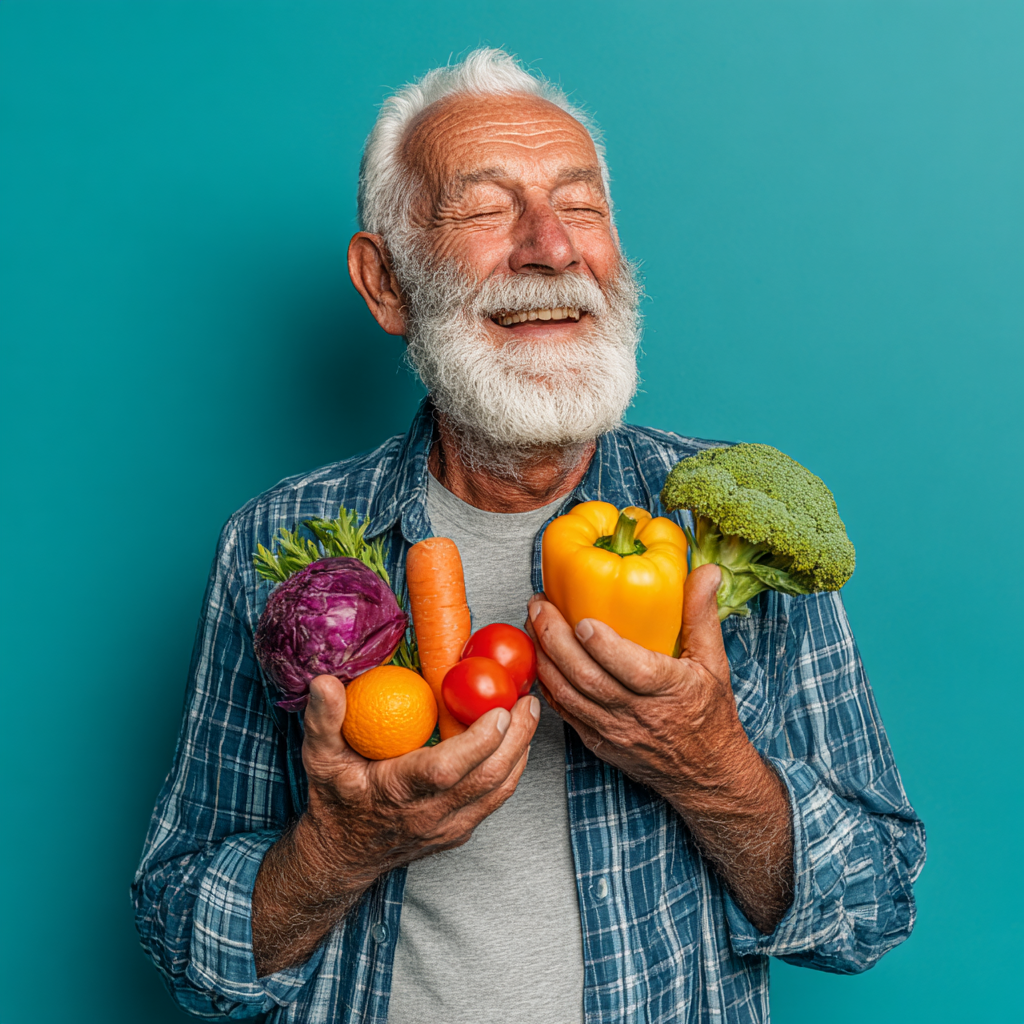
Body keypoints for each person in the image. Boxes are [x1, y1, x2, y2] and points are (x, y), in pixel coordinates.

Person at [133, 49, 925, 1024]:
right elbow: (182, 937)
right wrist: (339, 848)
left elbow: (872, 909)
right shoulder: (280, 547)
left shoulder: (721, 527)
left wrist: (708, 762)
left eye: (580, 206)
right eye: (485, 207)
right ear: (383, 283)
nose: (550, 246)